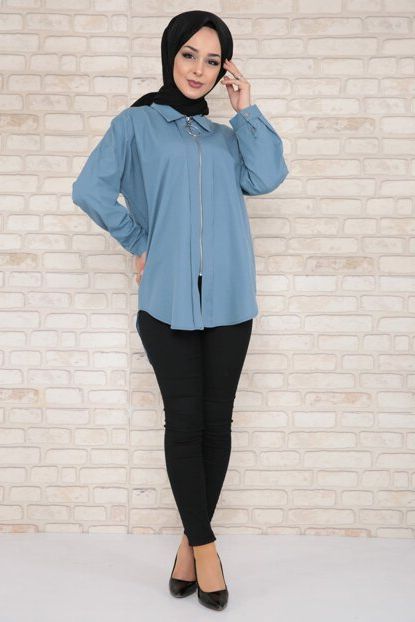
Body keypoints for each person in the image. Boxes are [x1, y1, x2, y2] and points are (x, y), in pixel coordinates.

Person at [72, 9, 289, 611]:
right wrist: (141, 241)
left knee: (217, 425)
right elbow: (89, 189)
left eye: (213, 60)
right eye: (189, 54)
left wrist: (246, 111)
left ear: (225, 71)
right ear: (170, 54)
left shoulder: (226, 137)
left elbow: (268, 177)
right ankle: (208, 548)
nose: (199, 69)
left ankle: (189, 547)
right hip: (166, 301)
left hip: (231, 299)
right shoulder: (136, 124)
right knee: (184, 421)